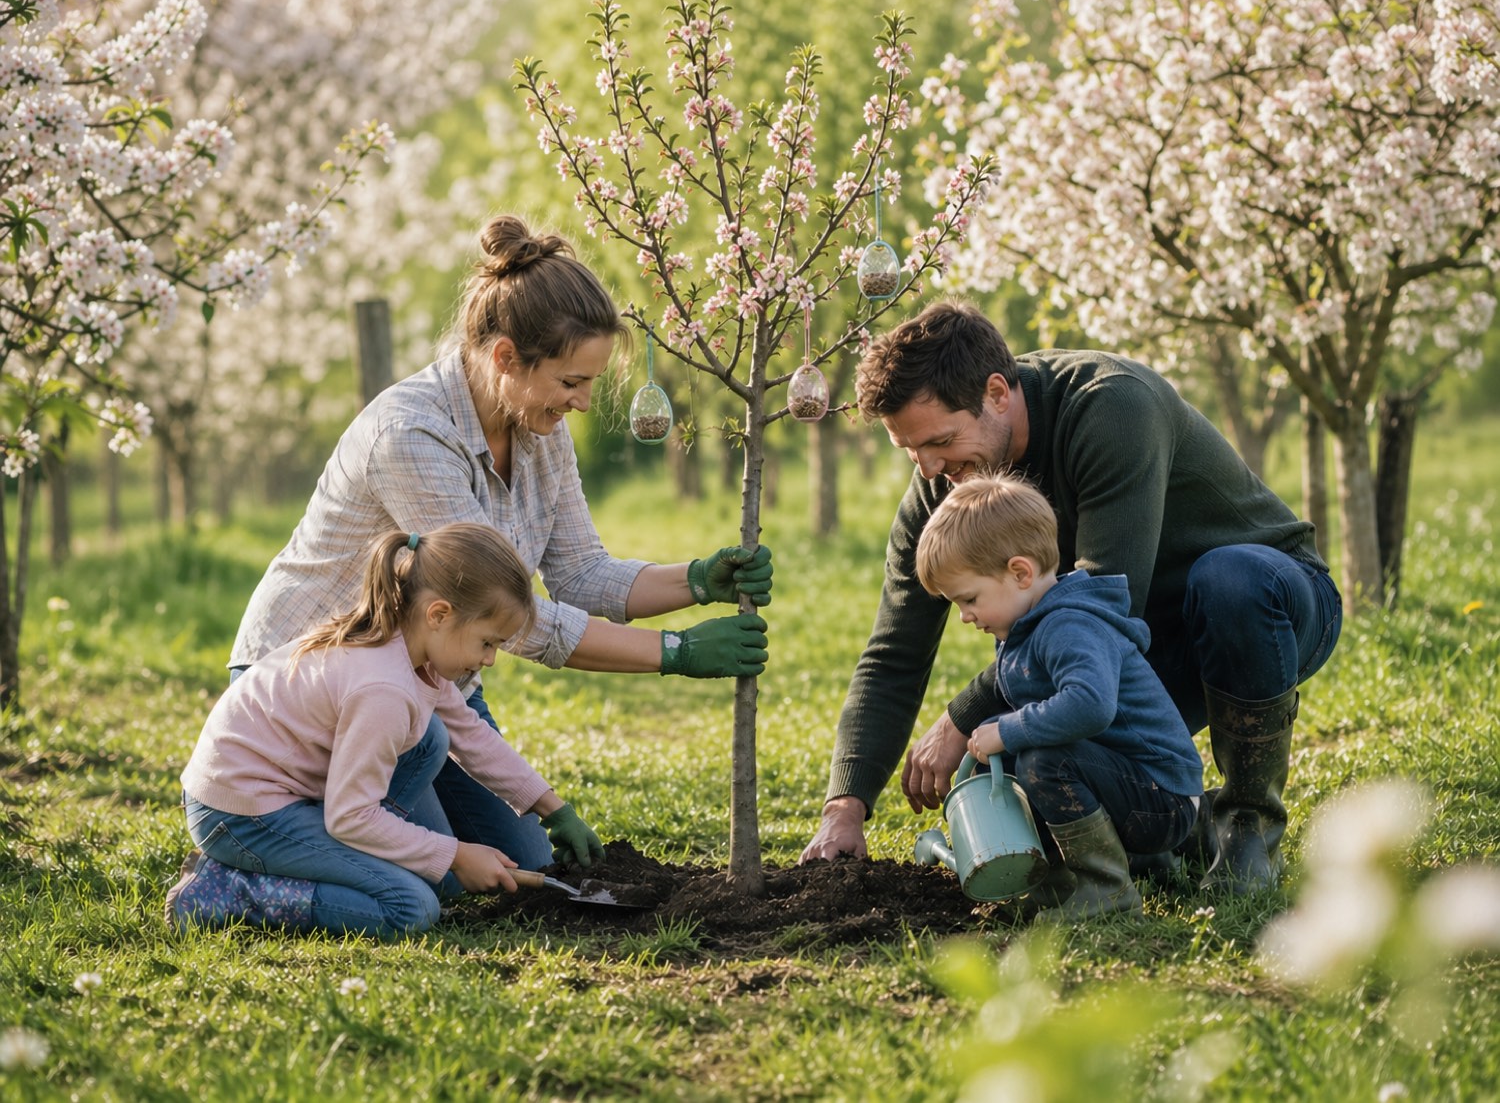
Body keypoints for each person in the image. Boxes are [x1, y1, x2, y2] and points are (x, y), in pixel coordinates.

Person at [212, 213, 771, 881]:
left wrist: (698, 579)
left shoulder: (541, 431)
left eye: (589, 383)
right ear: (506, 357)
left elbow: (580, 571)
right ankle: (245, 857)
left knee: (521, 860)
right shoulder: (411, 436)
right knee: (443, 872)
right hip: (321, 685)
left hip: (432, 676)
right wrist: (674, 653)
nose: (584, 402)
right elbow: (513, 619)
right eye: (571, 381)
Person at [800, 299, 1343, 894]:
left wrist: (964, 715)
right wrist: (844, 807)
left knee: (1227, 579)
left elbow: (1101, 610)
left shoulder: (1111, 407)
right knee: (1032, 746)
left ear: (998, 393)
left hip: (1268, 610)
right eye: (912, 452)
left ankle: (1246, 830)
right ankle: (1175, 835)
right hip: (1133, 646)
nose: (929, 469)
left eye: (941, 441)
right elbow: (895, 646)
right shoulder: (946, 480)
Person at [167, 523, 606, 937]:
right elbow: (350, 816)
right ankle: (226, 892)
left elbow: (471, 736)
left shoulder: (410, 648)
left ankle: (374, 856)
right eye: (487, 642)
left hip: (282, 797)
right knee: (410, 906)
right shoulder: (383, 689)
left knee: (433, 737)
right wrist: (452, 854)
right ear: (439, 614)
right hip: (239, 814)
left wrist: (554, 809)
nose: (490, 659)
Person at [914, 475, 1203, 918]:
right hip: (1121, 786)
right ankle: (1055, 882)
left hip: (1161, 799)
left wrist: (1008, 730)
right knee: (1014, 765)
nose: (964, 616)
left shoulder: (1070, 626)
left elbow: (1091, 705)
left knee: (1042, 761)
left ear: (1020, 572)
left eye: (969, 599)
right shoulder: (1026, 627)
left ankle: (1107, 891)